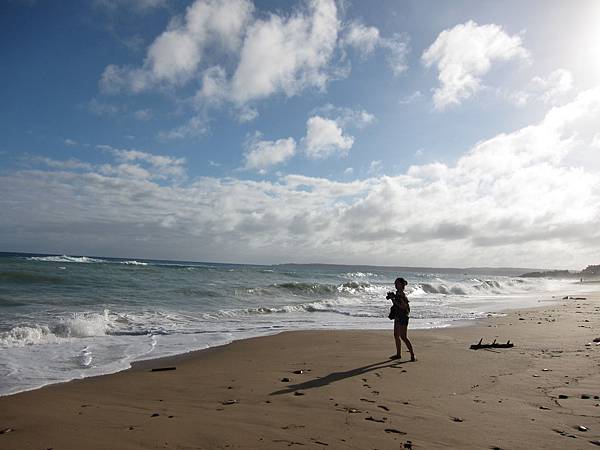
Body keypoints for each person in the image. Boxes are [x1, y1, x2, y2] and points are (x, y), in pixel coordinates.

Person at [390, 277, 415, 361]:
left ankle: (412, 355)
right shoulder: (398, 293)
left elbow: (403, 306)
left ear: (402, 285)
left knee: (403, 337)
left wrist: (393, 300)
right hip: (398, 316)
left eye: (397, 283)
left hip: (403, 317)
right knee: (396, 335)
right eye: (395, 283)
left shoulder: (401, 294)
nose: (396, 285)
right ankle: (398, 354)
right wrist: (392, 298)